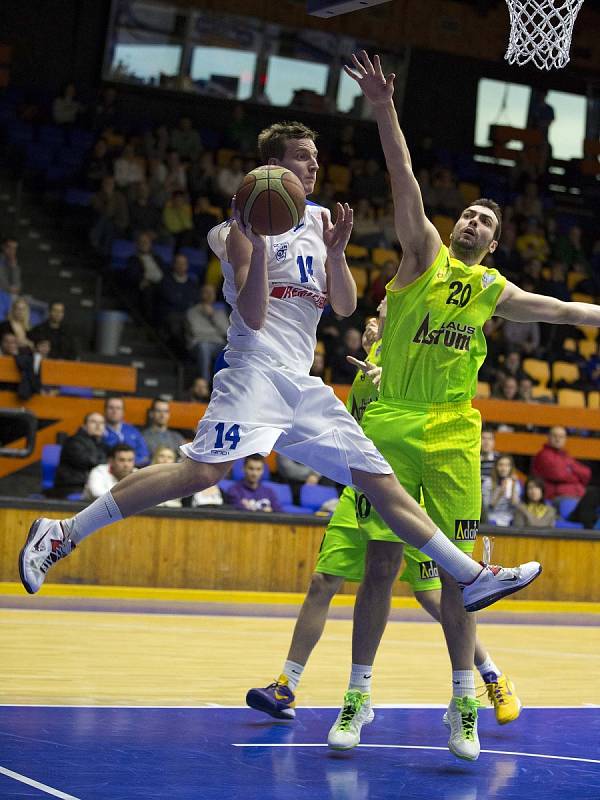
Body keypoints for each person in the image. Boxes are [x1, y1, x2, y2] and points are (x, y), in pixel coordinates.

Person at [19, 117, 541, 749]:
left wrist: (340, 249)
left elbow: (345, 307)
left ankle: (468, 575)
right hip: (253, 374)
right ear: (271, 171)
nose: (315, 168)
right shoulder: (233, 229)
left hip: (302, 382)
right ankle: (63, 533)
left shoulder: (321, 221)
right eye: (302, 159)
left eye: (316, 158)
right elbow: (257, 312)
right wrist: (258, 240)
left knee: (379, 479)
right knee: (204, 471)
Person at [336, 50, 597, 760]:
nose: (476, 222)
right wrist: (386, 109)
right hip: (392, 422)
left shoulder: (494, 292)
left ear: (495, 240)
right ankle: (357, 698)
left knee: (460, 577)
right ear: (455, 227)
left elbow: (573, 312)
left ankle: (463, 703)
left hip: (454, 435)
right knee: (382, 570)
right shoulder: (423, 254)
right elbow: (402, 178)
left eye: (487, 220)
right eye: (471, 214)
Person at [248, 314, 520, 732]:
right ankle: (286, 685)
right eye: (374, 314)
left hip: (413, 496)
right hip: (362, 488)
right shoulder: (362, 369)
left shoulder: (415, 361)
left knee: (436, 597)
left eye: (386, 312)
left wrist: (387, 377)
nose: (376, 319)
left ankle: (491, 675)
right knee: (323, 582)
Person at [532, 426, 600, 528]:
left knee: (594, 493)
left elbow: (586, 473)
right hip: (558, 498)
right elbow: (558, 474)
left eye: (561, 436)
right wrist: (575, 474)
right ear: (548, 437)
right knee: (587, 499)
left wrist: (570, 470)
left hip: (578, 497)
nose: (558, 439)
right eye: (555, 436)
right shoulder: (543, 455)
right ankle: (589, 534)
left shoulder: (566, 456)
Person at [51, 412, 108, 498]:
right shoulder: (73, 441)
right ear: (84, 426)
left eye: (101, 423)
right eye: (93, 422)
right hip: (72, 486)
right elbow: (88, 462)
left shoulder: (102, 445)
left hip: (93, 484)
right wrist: (108, 464)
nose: (98, 425)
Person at [185, 284, 229, 382]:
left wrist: (212, 316)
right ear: (201, 294)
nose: (209, 295)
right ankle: (204, 383)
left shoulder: (219, 312)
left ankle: (228, 383)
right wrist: (215, 333)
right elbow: (196, 332)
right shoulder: (192, 311)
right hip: (200, 343)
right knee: (204, 347)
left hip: (218, 344)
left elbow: (226, 332)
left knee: (234, 350)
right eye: (206, 292)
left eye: (211, 293)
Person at [102, 396, 150, 467]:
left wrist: (128, 465)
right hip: (107, 470)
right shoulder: (99, 430)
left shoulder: (133, 430)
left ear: (123, 412)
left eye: (118, 408)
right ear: (105, 410)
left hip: (133, 470)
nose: (114, 411)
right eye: (111, 408)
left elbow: (144, 456)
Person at [484, 455, 521, 527]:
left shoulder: (514, 482)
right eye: (500, 465)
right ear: (496, 467)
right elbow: (486, 508)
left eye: (507, 465)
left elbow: (515, 506)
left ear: (511, 468)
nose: (503, 468)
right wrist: (499, 493)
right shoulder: (488, 482)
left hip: (510, 518)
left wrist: (513, 489)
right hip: (492, 517)